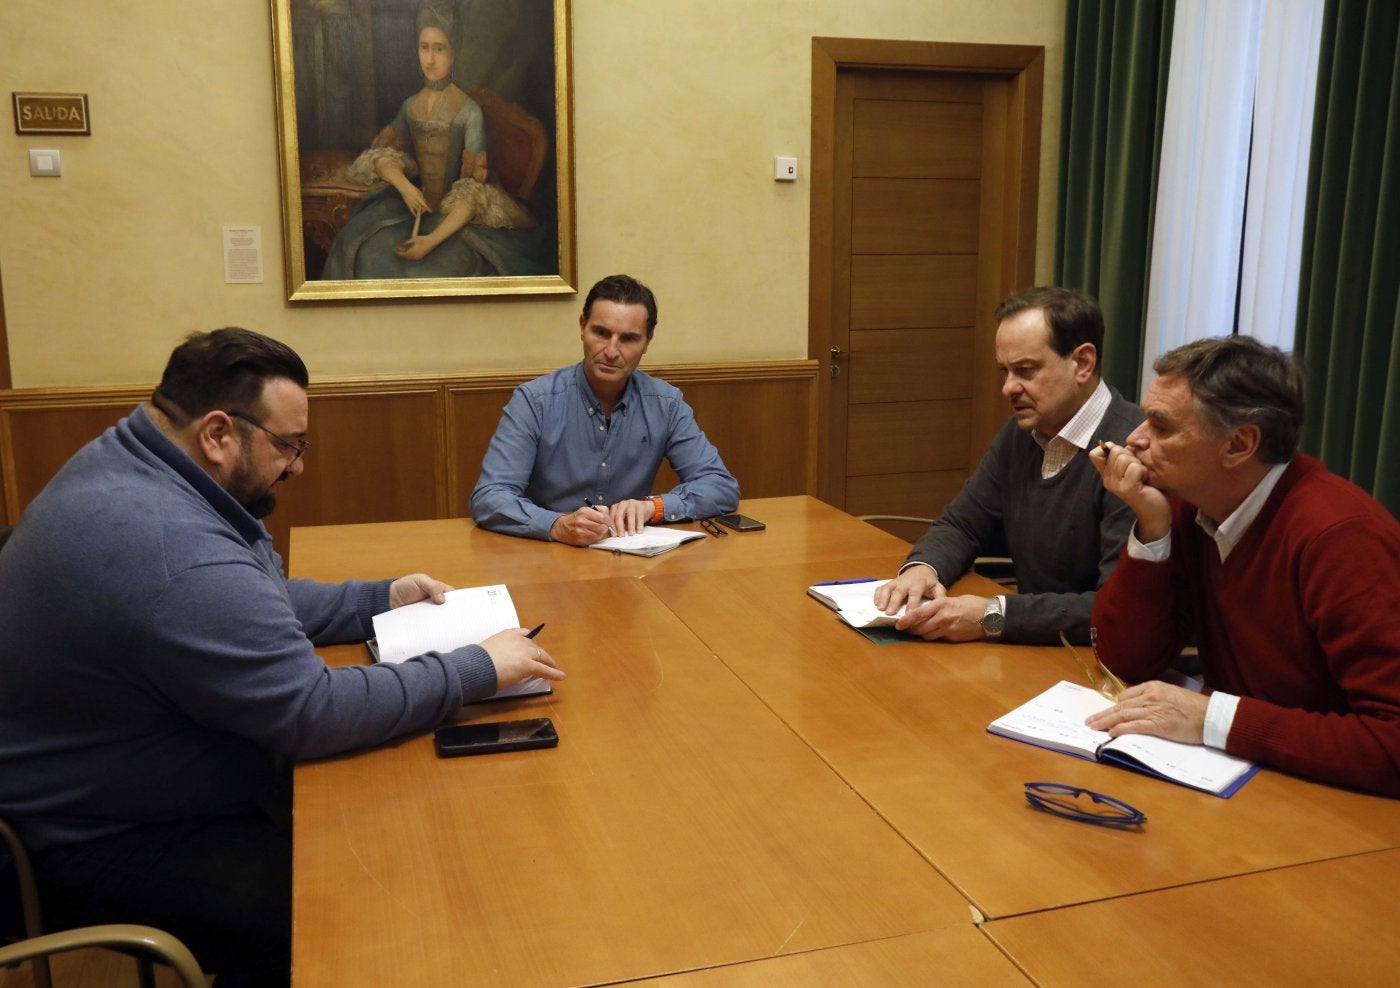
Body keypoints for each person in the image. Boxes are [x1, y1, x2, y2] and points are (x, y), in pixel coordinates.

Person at [0, 328, 565, 986]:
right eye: (288, 447)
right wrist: (477, 667)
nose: (296, 467)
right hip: (78, 837)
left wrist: (375, 599)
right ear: (217, 433)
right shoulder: (165, 545)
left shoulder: (139, 456)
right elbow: (311, 711)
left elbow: (246, 598)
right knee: (349, 903)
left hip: (102, 779)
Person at [1087, 336, 1399, 797]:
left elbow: (1392, 743)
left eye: (1161, 425)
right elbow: (1123, 659)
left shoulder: (1340, 536)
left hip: (1342, 812)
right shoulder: (1190, 506)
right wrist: (1152, 526)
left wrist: (1214, 718)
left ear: (1238, 444)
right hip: (1248, 782)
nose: (1135, 438)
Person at [873, 286, 1142, 644]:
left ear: (1083, 363)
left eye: (1025, 371)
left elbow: (1113, 609)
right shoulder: (1023, 434)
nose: (1007, 388)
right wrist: (922, 569)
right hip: (1035, 651)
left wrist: (992, 615)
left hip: (1103, 667)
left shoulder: (1131, 453)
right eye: (1005, 371)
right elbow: (962, 523)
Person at [471, 273, 740, 545]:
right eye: (601, 333)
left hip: (631, 556)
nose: (611, 351)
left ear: (647, 341)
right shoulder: (534, 401)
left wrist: (654, 507)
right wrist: (556, 525)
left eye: (628, 339)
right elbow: (490, 497)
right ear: (582, 327)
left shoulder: (665, 403)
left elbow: (720, 486)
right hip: (549, 553)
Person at [320, 4, 550, 280]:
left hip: (457, 220)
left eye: (439, 49)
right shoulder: (410, 106)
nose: (429, 59)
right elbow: (380, 155)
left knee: (430, 268)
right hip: (415, 209)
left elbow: (473, 192)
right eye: (424, 47)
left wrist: (429, 242)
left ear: (453, 53)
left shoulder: (468, 111)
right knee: (360, 248)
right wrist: (405, 187)